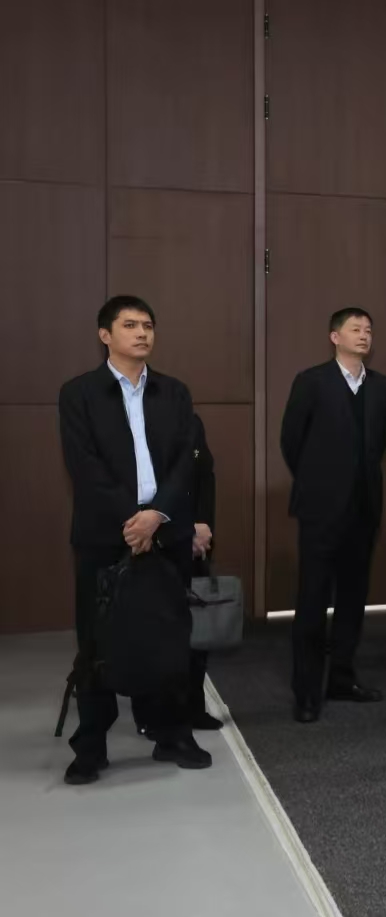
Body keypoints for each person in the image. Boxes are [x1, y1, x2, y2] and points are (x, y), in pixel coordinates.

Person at [58, 295, 211, 784]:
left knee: (169, 638)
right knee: (97, 640)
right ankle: (91, 745)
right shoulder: (79, 393)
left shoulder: (175, 392)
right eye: (130, 325)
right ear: (105, 335)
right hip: (106, 534)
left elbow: (186, 461)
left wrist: (157, 515)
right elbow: (84, 466)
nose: (142, 333)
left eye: (148, 325)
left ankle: (173, 735)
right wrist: (133, 520)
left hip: (166, 531)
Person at [280, 307, 386, 724]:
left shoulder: (381, 386)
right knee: (312, 600)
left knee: (353, 598)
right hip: (320, 509)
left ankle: (342, 678)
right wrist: (320, 481)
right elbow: (291, 441)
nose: (364, 335)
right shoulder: (311, 381)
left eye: (369, 329)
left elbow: (379, 444)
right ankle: (307, 690)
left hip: (365, 509)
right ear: (334, 337)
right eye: (355, 329)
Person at [135, 412, 222, 734]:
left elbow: (205, 477)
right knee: (152, 631)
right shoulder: (134, 423)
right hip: (152, 538)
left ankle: (193, 706)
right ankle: (149, 713)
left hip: (193, 540)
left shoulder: (189, 421)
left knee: (194, 628)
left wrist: (203, 525)